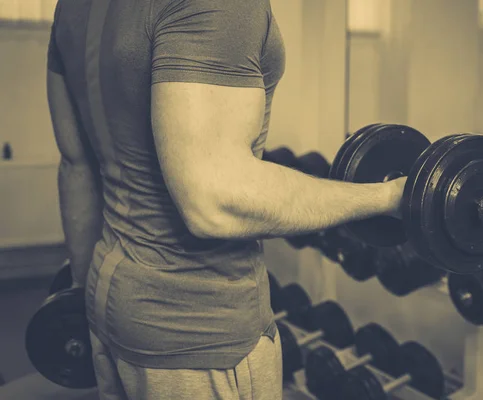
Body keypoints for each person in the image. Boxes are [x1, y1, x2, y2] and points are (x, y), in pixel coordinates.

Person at [46, 0, 405, 399]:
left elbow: (76, 165)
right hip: (199, 334)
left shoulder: (73, 7)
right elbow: (215, 201)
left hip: (109, 300)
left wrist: (83, 291)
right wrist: (387, 196)